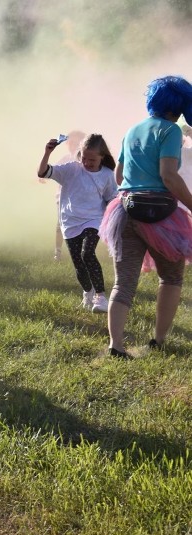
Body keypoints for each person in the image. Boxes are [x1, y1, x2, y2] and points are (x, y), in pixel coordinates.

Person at [99, 75, 192, 358]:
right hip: (161, 213)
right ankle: (158, 340)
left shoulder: (132, 130)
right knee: (171, 277)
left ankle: (116, 346)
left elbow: (118, 175)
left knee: (123, 282)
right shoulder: (171, 131)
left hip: (125, 210)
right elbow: (168, 175)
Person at [38, 134, 118, 312]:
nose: (87, 163)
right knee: (78, 263)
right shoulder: (71, 169)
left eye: (93, 160)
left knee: (87, 254)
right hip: (70, 221)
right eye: (84, 158)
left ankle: (101, 297)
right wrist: (47, 152)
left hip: (93, 220)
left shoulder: (106, 175)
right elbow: (43, 172)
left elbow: (111, 198)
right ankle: (87, 293)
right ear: (80, 155)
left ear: (102, 157)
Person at [51, 130, 86, 260]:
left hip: (79, 198)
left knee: (80, 222)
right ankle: (58, 252)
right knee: (60, 223)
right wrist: (42, 177)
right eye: (71, 142)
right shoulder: (65, 159)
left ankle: (81, 250)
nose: (73, 145)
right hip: (62, 197)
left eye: (77, 142)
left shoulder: (84, 160)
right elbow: (52, 170)